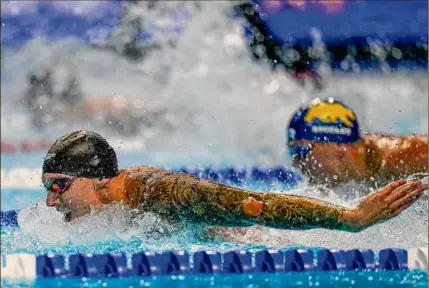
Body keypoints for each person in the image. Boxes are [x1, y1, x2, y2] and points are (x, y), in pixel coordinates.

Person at [42, 130, 426, 233]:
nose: (50, 201)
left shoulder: (158, 191)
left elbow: (253, 206)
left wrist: (350, 218)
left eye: (58, 186)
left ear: (95, 178)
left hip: (284, 238)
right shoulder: (108, 208)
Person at [287, 97, 428, 186]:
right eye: (294, 153)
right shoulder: (341, 179)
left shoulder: (399, 159)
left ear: (338, 147)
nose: (298, 164)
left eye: (303, 152)